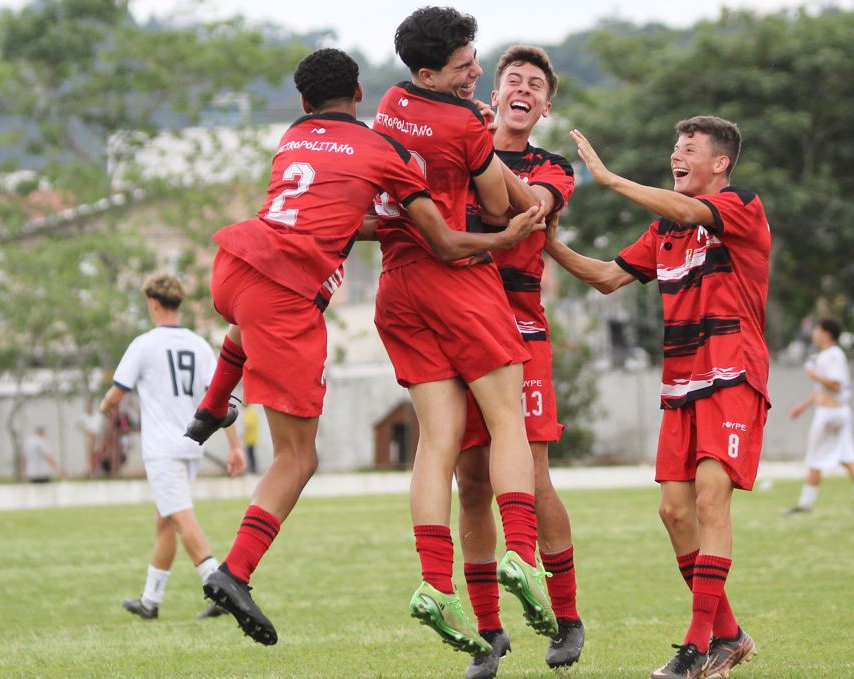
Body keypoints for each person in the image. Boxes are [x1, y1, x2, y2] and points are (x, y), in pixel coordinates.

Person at [184, 47, 544, 646]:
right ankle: (234, 571)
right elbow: (446, 240)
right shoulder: (386, 147)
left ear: (305, 102)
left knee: (249, 327)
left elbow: (346, 212)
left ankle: (211, 406)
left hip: (236, 263)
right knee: (298, 458)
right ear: (358, 92)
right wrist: (504, 234)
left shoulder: (294, 137)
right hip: (295, 291)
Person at [545, 116, 767, 679]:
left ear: (719, 163)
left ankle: (695, 648)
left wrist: (607, 178)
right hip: (682, 382)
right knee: (674, 511)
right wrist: (543, 239)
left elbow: (693, 211)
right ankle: (730, 636)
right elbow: (604, 276)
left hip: (732, 371)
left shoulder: (740, 205)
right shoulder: (665, 232)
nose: (676, 154)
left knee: (711, 501)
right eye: (675, 146)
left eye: (689, 148)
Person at [371, 7, 558, 660]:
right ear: (429, 69)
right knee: (507, 420)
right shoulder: (461, 124)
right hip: (459, 278)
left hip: (396, 288)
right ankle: (518, 554)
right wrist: (516, 194)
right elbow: (503, 206)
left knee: (437, 444)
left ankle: (432, 583)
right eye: (463, 66)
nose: (477, 71)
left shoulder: (390, 104)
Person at [453, 45, 583, 679]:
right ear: (496, 93)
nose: (523, 89)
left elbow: (526, 205)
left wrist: (478, 150)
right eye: (513, 81)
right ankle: (488, 634)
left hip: (521, 328)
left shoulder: (554, 168)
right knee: (471, 480)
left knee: (531, 472)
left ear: (545, 107)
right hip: (458, 328)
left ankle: (566, 613)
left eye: (535, 84)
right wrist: (467, 140)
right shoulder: (461, 145)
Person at [100, 273, 246, 622]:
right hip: (192, 442)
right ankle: (151, 601)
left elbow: (116, 394)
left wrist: (106, 408)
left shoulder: (144, 344)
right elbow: (220, 399)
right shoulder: (198, 344)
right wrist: (235, 447)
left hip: (162, 448)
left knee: (180, 517)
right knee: (166, 521)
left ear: (152, 303)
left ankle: (222, 587)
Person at [785, 317, 854, 514]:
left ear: (826, 333)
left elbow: (836, 384)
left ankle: (805, 504)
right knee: (847, 456)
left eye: (816, 330)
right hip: (837, 411)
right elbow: (821, 391)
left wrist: (813, 374)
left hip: (830, 414)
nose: (814, 334)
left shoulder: (832, 355)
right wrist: (802, 406)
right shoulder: (827, 355)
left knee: (815, 458)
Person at [242, 403, 259, 473]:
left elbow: (249, 424)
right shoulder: (252, 411)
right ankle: (253, 469)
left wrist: (244, 434)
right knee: (251, 454)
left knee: (250, 454)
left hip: (250, 438)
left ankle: (253, 470)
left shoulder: (249, 411)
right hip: (253, 437)